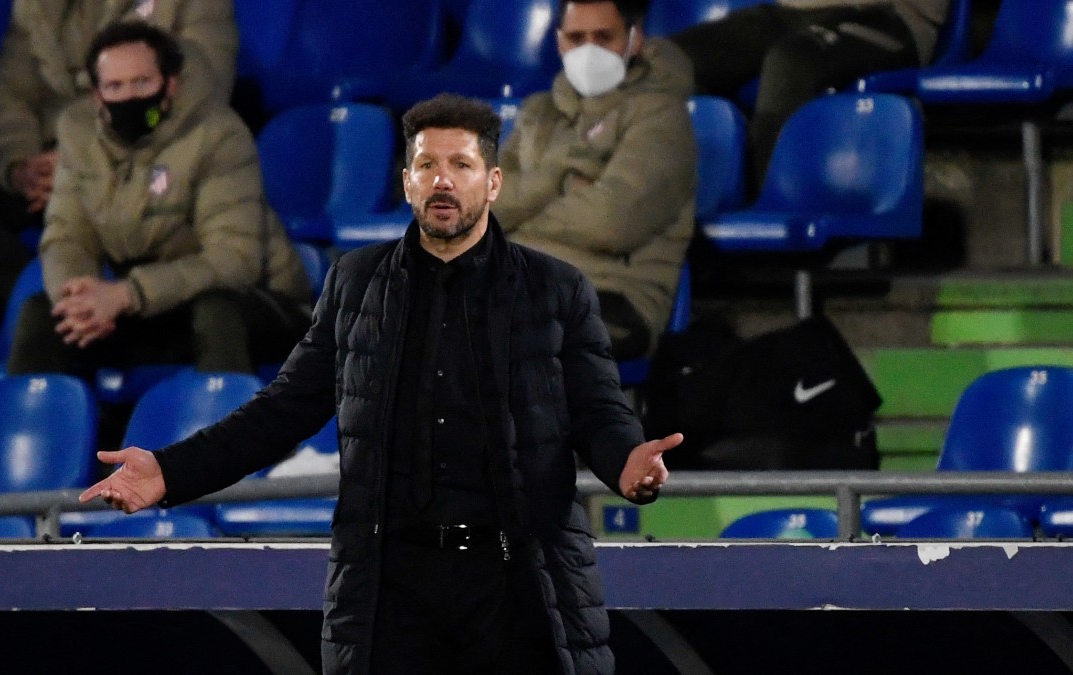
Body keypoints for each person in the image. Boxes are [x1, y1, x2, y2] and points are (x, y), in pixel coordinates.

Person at [80, 93, 683, 674]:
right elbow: (283, 409)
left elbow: (598, 409)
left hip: (518, 589)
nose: (442, 181)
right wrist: (170, 471)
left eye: (461, 166)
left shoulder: (557, 288)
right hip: (389, 593)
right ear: (406, 182)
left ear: (493, 183)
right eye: (427, 165)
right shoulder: (354, 284)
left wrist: (628, 462)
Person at [6, 22, 310, 376]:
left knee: (214, 313)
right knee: (44, 315)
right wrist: (79, 301)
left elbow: (234, 261)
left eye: (142, 82)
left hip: (254, 301)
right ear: (97, 96)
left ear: (170, 84)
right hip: (154, 305)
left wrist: (126, 295)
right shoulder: (79, 137)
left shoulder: (218, 134)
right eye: (115, 86)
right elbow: (66, 236)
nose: (130, 97)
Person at [0, 0, 237, 330]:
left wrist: (83, 157)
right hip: (47, 159)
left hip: (142, 152)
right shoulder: (35, 7)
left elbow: (198, 92)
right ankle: (49, 309)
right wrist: (21, 166)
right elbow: (9, 94)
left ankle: (113, 319)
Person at [493, 0, 696, 362]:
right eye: (576, 37)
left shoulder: (661, 116)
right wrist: (557, 178)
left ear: (634, 41)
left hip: (611, 297)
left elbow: (611, 223)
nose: (589, 50)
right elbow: (480, 209)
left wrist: (519, 214)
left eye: (604, 37)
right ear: (559, 43)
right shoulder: (539, 113)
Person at [669, 0, 950, 186]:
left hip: (887, 16)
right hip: (793, 12)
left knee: (791, 62)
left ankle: (769, 201)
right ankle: (704, 191)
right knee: (664, 63)